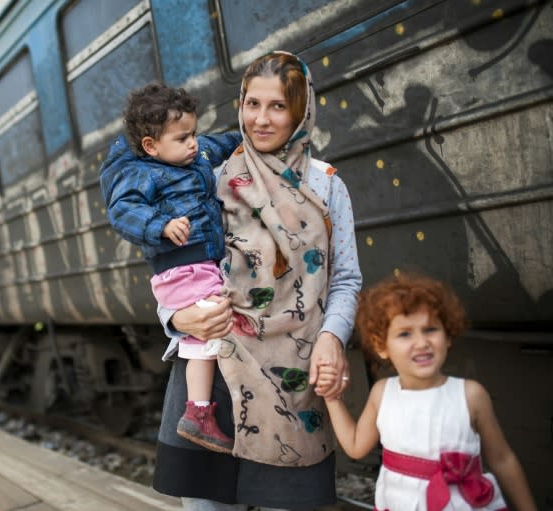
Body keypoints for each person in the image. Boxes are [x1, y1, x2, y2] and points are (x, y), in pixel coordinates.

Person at [152, 51, 362, 510]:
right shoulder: (205, 179)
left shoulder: (326, 185)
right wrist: (177, 315)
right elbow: (176, 271)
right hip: (212, 380)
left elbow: (344, 279)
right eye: (251, 103)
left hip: (294, 378)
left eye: (278, 106)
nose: (261, 119)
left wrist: (332, 337)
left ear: (302, 110)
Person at [100, 82, 243, 453]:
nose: (193, 143)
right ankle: (198, 413)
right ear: (152, 146)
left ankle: (202, 411)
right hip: (181, 265)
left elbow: (220, 144)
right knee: (206, 331)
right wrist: (159, 225)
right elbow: (122, 210)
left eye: (194, 133)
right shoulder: (144, 173)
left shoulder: (193, 155)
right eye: (183, 138)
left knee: (209, 330)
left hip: (199, 263)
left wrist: (246, 135)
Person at [319, 272, 536, 510]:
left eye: (431, 329)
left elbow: (502, 459)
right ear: (381, 346)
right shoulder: (383, 394)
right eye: (405, 334)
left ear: (448, 336)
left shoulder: (471, 395)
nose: (421, 342)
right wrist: (332, 398)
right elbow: (355, 446)